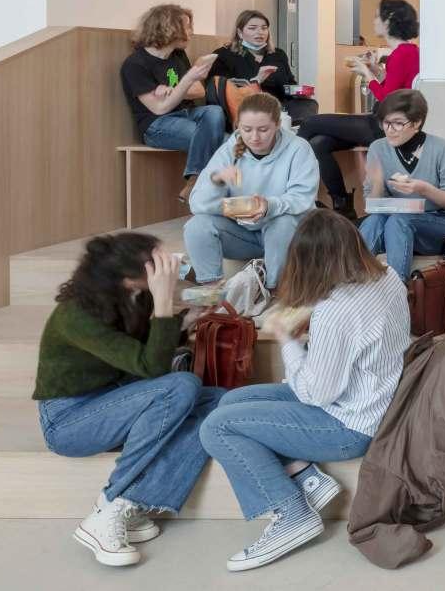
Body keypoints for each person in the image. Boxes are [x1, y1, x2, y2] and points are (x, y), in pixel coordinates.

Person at [200, 212, 408, 571]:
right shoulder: (388, 276)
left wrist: (287, 341)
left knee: (216, 427)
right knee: (231, 401)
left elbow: (316, 393)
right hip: (375, 397)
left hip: (348, 425)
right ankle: (306, 476)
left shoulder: (335, 311)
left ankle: (292, 513)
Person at [34, 232, 222, 567]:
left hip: (115, 400)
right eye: (161, 262)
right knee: (181, 386)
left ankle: (131, 503)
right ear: (128, 278)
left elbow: (143, 354)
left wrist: (182, 322)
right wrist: (165, 304)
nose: (171, 266)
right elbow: (151, 368)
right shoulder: (76, 315)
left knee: (219, 404)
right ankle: (108, 505)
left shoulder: (133, 297)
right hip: (69, 420)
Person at [299, 0, 421, 218]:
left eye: (377, 16)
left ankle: (295, 185)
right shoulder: (408, 51)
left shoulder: (402, 53)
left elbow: (386, 98)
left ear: (390, 20)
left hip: (382, 124)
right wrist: (374, 68)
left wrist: (365, 73)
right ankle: (342, 205)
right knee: (319, 143)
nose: (374, 21)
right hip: (388, 121)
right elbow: (396, 85)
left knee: (310, 122)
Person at [184, 92, 318, 290]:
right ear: (238, 125)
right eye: (247, 129)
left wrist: (268, 206)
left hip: (289, 234)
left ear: (278, 124)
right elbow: (198, 205)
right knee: (196, 226)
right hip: (244, 234)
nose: (254, 137)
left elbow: (302, 199)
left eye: (263, 130)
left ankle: (273, 290)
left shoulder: (299, 149)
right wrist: (216, 181)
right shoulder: (229, 150)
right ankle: (211, 292)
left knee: (282, 223)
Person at [356, 90, 445, 279]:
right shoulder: (378, 148)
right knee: (374, 221)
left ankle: (399, 292)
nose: (390, 129)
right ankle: (348, 286)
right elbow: (373, 208)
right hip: (395, 226)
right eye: (386, 122)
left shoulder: (441, 149)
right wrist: (376, 185)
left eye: (398, 123)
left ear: (416, 123)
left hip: (440, 224)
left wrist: (423, 189)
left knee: (400, 220)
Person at [120, 4, 225, 191]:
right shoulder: (135, 64)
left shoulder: (178, 55)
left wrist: (173, 89)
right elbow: (159, 108)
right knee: (225, 141)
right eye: (187, 26)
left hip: (186, 114)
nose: (191, 32)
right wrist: (188, 80)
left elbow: (199, 91)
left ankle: (195, 179)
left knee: (215, 111)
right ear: (168, 28)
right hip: (157, 125)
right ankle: (202, 186)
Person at [208, 10, 318, 126]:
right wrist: (257, 79)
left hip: (281, 106)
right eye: (252, 28)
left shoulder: (278, 54)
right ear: (240, 33)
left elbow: (289, 83)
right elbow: (224, 93)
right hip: (250, 106)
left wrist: (299, 91)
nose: (259, 32)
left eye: (264, 28)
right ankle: (291, 131)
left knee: (308, 103)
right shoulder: (224, 55)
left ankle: (296, 131)